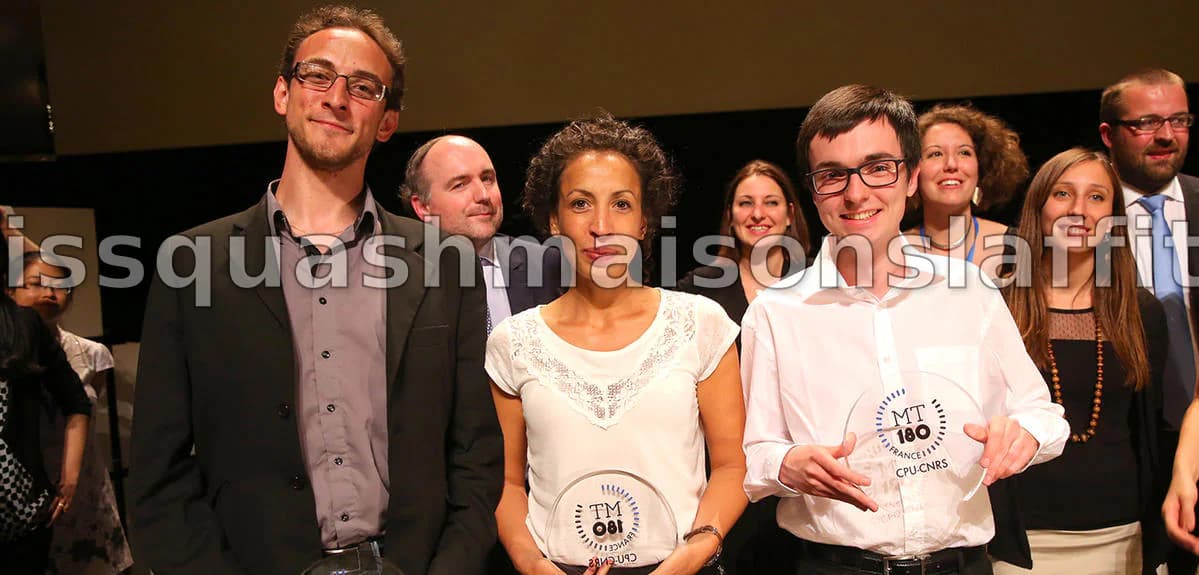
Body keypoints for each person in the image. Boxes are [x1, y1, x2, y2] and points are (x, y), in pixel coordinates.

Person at [128, 6, 502, 575]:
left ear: (386, 121)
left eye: (363, 86)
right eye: (318, 75)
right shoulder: (192, 263)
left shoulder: (445, 265)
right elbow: (159, 474)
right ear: (283, 93)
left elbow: (475, 455)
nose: (336, 97)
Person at [740, 84, 1069, 575]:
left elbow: (1044, 415)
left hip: (962, 564)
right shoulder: (776, 313)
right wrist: (787, 466)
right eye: (833, 175)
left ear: (911, 176)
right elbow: (757, 454)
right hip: (835, 565)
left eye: (877, 168)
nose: (856, 193)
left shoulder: (970, 291)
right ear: (812, 191)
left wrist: (1024, 434)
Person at [488, 115, 747, 575]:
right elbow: (507, 484)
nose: (602, 225)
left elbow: (731, 466)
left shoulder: (699, 324)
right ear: (553, 218)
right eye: (581, 203)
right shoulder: (514, 342)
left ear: (645, 221)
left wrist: (691, 556)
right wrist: (533, 566)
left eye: (622, 204)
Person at [990, 148, 1168, 574]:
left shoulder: (1142, 312)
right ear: (1038, 207)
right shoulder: (996, 305)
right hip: (1022, 545)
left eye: (1096, 198)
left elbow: (1152, 431)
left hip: (1125, 538)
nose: (1078, 210)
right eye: (1062, 193)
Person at [1098, 68, 1198, 574]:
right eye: (1147, 122)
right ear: (1108, 134)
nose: (1165, 135)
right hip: (1130, 447)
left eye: (1178, 119)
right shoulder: (1083, 221)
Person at [7, 250, 132, 573]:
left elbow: (84, 408)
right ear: (9, 291)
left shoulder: (92, 353)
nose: (49, 293)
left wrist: (73, 475)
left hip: (84, 484)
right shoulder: (10, 348)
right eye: (36, 283)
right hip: (25, 493)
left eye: (59, 285)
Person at [402, 135, 563, 333]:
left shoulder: (548, 266)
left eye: (487, 179)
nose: (483, 195)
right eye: (460, 184)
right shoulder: (401, 279)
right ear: (423, 207)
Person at [0, 236, 92, 574]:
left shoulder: (23, 325)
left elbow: (77, 402)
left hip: (20, 505)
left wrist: (68, 481)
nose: (50, 293)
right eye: (38, 284)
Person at [677, 159, 811, 326]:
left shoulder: (817, 279)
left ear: (790, 215)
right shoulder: (700, 287)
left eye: (771, 202)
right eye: (746, 203)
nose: (757, 214)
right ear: (730, 216)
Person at [905, 104, 1029, 279]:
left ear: (981, 167)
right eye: (935, 154)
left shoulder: (1017, 247)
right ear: (913, 171)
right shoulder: (893, 250)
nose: (951, 165)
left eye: (964, 153)